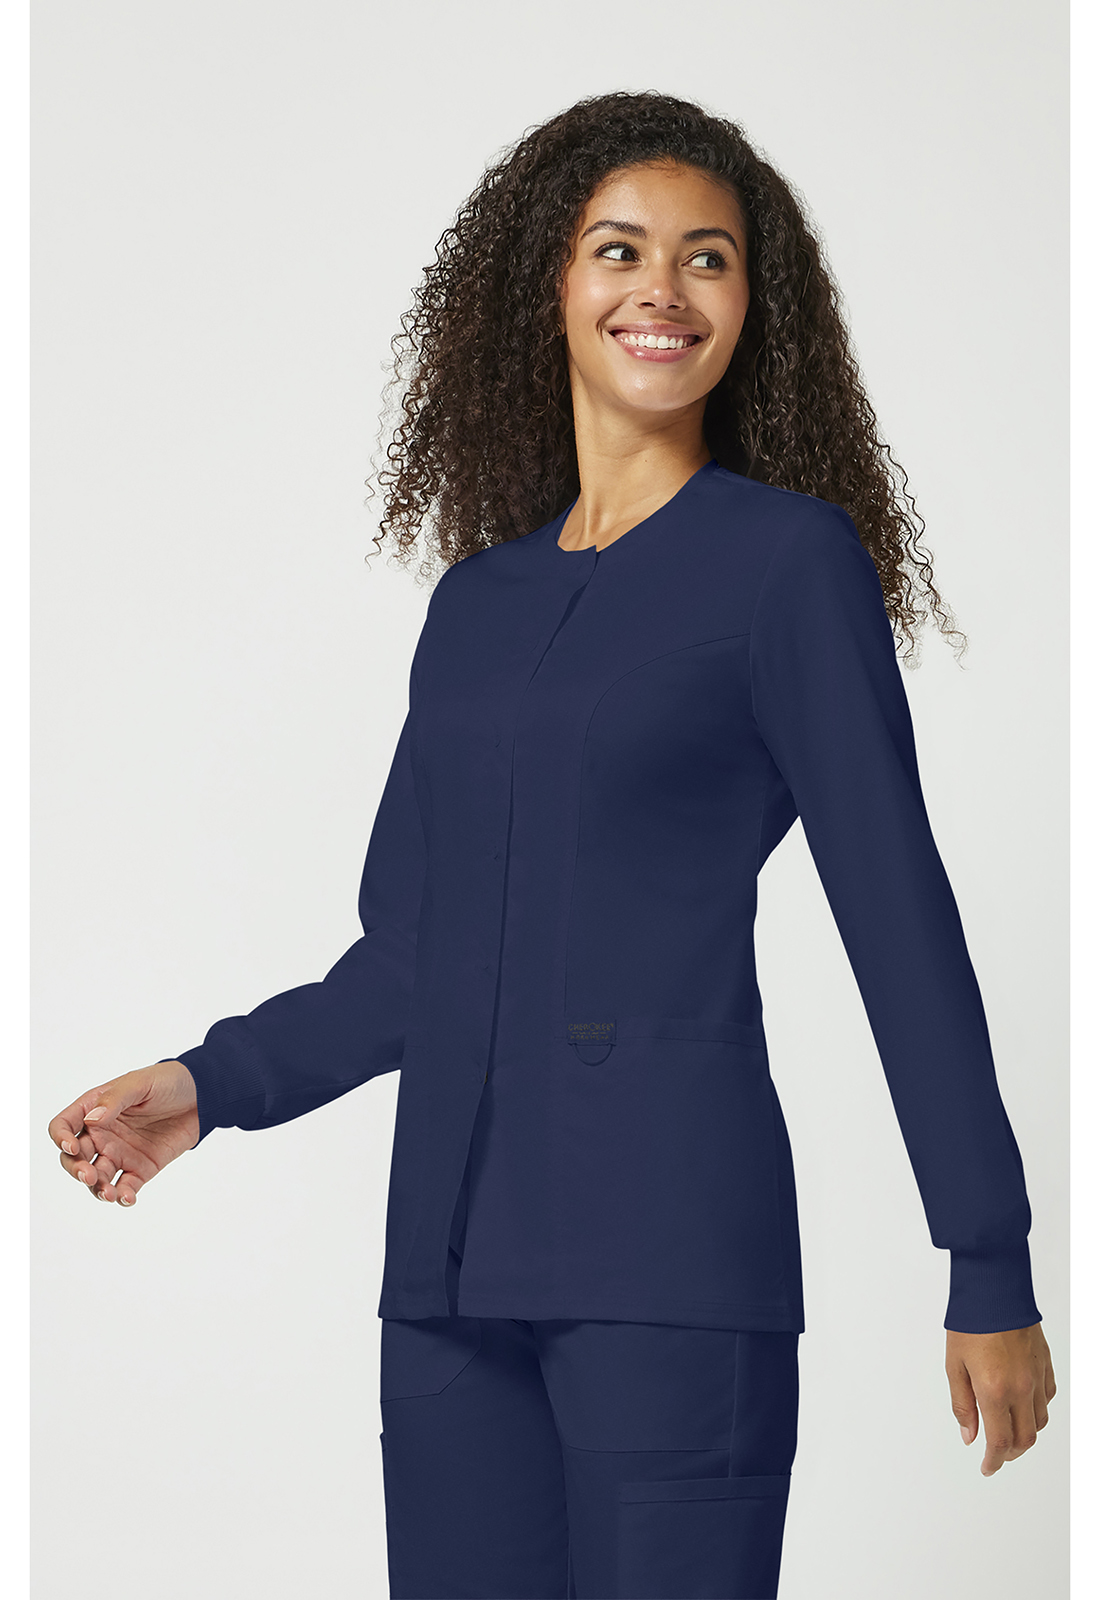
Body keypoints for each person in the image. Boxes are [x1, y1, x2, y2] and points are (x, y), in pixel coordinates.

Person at [48, 91, 1056, 1599]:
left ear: (753, 308)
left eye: (708, 258)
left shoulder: (786, 565)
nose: (664, 289)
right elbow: (413, 960)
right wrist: (211, 1086)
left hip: (668, 1271)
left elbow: (897, 916)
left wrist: (987, 1256)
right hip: (446, 1289)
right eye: (620, 249)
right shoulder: (478, 606)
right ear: (550, 284)